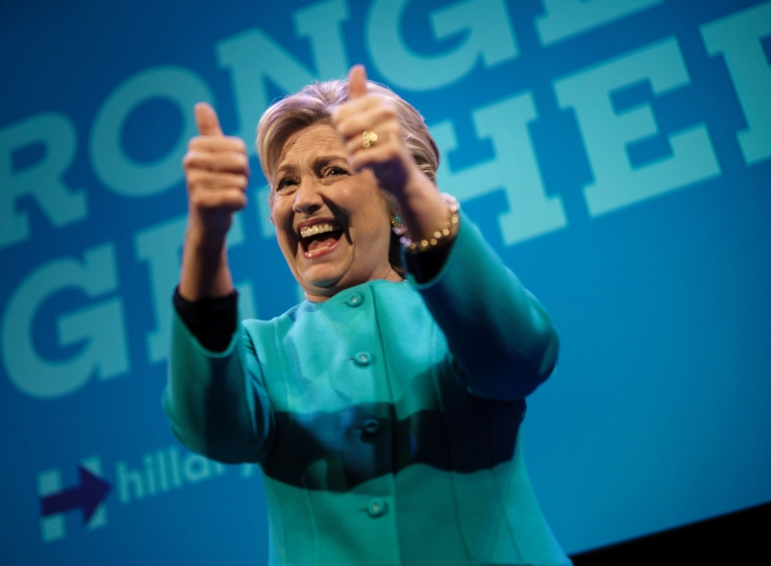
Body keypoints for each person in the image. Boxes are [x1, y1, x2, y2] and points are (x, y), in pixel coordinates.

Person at [163, 65, 570, 566]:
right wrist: (205, 236)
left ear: (394, 197)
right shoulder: (260, 352)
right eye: (285, 183)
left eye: (333, 170)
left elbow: (520, 359)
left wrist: (411, 188)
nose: (304, 200)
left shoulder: (454, 315)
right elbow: (212, 430)